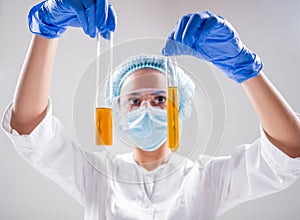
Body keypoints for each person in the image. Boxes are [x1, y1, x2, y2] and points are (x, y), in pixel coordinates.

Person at [2, 0, 300, 219]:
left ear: (178, 109)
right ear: (116, 113)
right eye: (134, 100)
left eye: (159, 99)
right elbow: (29, 129)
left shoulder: (208, 179)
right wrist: (46, 32)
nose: (146, 107)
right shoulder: (97, 176)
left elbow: (288, 152)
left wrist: (246, 70)